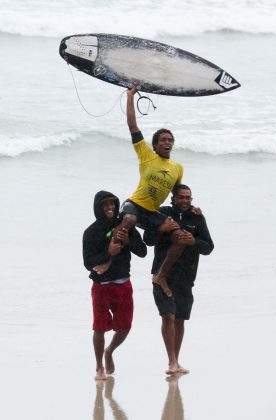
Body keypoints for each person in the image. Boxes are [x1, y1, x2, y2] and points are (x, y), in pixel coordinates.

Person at [93, 86, 193, 296]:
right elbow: (132, 125)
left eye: (170, 140)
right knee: (128, 220)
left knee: (180, 235)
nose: (167, 142)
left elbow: (178, 198)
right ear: (155, 145)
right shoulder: (146, 155)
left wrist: (192, 209)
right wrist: (130, 96)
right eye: (163, 140)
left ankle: (161, 276)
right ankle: (108, 259)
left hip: (151, 214)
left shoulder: (177, 168)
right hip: (135, 205)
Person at [144, 184, 214, 375]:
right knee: (168, 316)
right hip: (161, 276)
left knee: (180, 319)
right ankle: (172, 362)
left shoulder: (197, 217)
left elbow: (208, 247)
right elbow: (148, 240)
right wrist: (162, 228)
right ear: (172, 199)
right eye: (181, 197)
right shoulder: (162, 213)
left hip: (186, 276)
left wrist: (194, 242)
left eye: (188, 198)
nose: (185, 201)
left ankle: (176, 360)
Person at [83, 190, 147, 380]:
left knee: (125, 326)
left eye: (112, 204)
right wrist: (108, 253)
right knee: (99, 328)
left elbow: (143, 252)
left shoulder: (126, 227)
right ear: (98, 208)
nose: (110, 208)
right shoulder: (91, 232)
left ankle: (109, 350)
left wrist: (129, 242)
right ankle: (98, 367)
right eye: (105, 205)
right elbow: (88, 262)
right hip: (101, 285)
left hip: (123, 283)